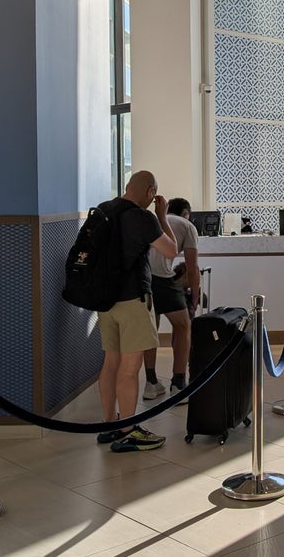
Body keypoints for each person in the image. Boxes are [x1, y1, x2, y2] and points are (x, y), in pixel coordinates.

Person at [95, 171, 176, 452]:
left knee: (110, 364)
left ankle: (109, 424)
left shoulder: (104, 210)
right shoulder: (143, 217)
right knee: (130, 369)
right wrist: (162, 215)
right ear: (150, 192)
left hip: (105, 301)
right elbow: (171, 250)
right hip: (132, 300)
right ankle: (128, 430)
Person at [143, 197, 201, 402]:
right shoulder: (187, 225)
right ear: (186, 213)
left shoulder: (153, 219)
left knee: (151, 330)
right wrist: (194, 297)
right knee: (184, 325)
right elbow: (192, 268)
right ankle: (178, 383)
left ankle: (150, 383)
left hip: (143, 278)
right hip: (163, 279)